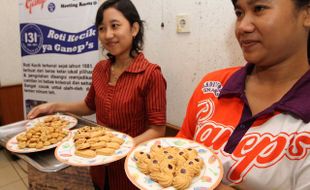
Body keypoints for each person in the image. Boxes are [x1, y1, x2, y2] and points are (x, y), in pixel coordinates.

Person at [28, 0, 166, 189]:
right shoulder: (100, 69)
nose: (108, 35)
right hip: (98, 167)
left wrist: (120, 148)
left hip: (131, 171)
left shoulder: (150, 74)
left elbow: (157, 130)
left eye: (115, 26)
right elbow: (89, 106)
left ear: (134, 28)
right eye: (102, 28)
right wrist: (54, 106)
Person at [177, 0, 310, 189]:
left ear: (307, 14)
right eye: (239, 13)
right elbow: (180, 148)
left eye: (259, 8)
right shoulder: (212, 86)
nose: (243, 27)